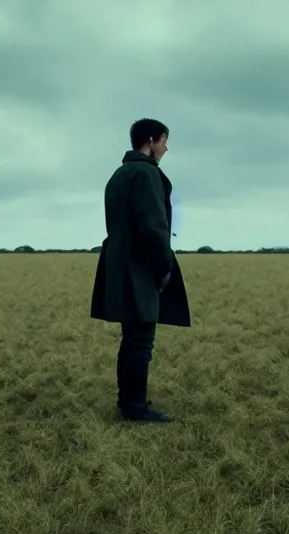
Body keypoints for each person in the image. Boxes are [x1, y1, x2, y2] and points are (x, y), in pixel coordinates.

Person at [90, 118, 190, 423]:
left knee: (131, 338)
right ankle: (135, 408)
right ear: (150, 140)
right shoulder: (147, 174)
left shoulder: (119, 174)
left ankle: (129, 402)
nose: (166, 148)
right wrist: (163, 267)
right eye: (163, 141)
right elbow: (153, 227)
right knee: (141, 340)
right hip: (140, 268)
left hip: (120, 266)